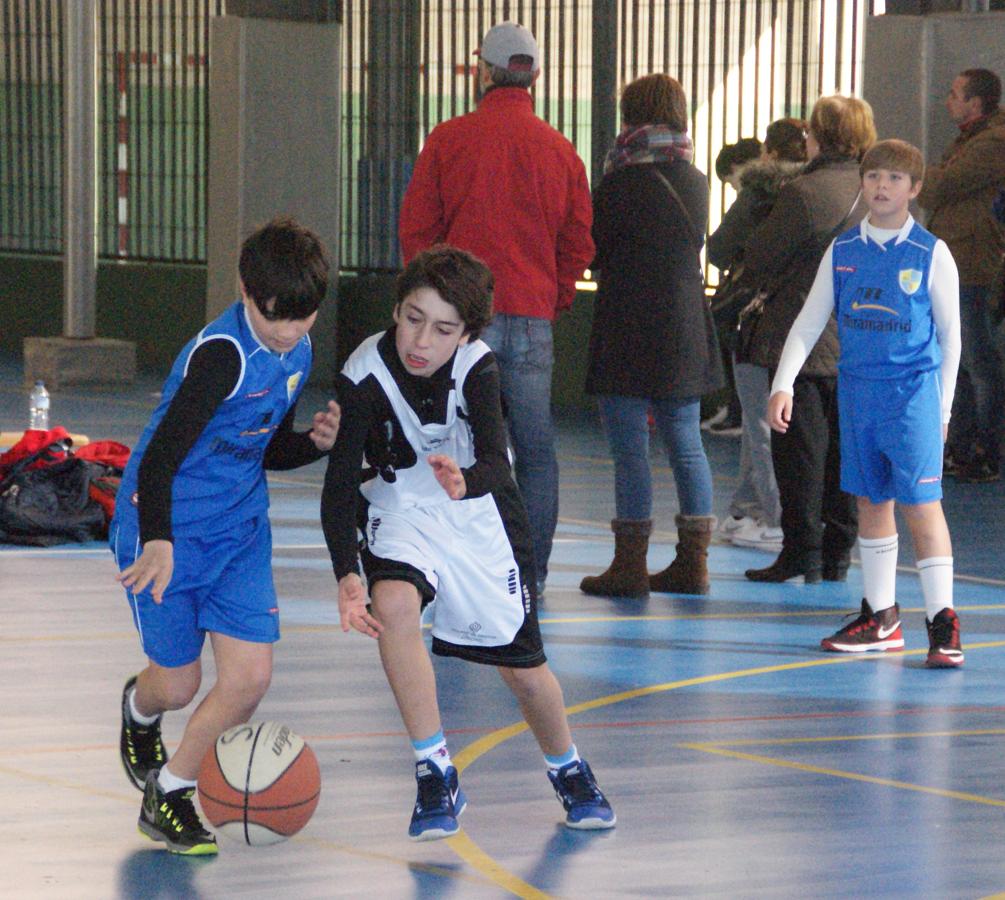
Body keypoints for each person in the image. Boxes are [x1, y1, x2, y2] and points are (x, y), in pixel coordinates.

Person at [321, 246, 615, 841]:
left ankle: (568, 767)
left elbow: (496, 465)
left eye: (443, 328)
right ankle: (435, 771)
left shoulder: (479, 365)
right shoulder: (362, 373)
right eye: (411, 317)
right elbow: (337, 484)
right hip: (402, 510)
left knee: (526, 674)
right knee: (394, 607)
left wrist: (465, 481)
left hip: (479, 516)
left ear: (468, 333)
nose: (421, 339)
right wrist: (348, 575)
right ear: (396, 310)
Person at [112, 217, 338, 855]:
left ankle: (171, 792)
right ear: (245, 290)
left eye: (304, 317)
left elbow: (259, 449)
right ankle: (140, 708)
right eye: (275, 318)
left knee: (248, 678)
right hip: (164, 531)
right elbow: (158, 460)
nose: (289, 331)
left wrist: (312, 446)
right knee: (178, 686)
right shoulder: (222, 357)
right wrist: (158, 539)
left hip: (238, 531)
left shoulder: (296, 351)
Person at [399, 22, 593, 598]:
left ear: (480, 70)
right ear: (536, 75)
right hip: (532, 315)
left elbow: (418, 230)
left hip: (459, 324)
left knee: (455, 445)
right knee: (535, 452)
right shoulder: (560, 150)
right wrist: (551, 297)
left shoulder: (449, 138)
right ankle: (527, 578)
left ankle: (459, 572)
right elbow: (579, 241)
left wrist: (432, 307)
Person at [768, 139, 964, 667]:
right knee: (870, 503)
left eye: (895, 179)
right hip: (858, 395)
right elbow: (809, 321)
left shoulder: (930, 253)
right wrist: (783, 382)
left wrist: (942, 412)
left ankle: (943, 621)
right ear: (862, 181)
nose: (883, 186)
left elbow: (952, 340)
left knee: (922, 506)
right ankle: (881, 617)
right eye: (875, 176)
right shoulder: (844, 251)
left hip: (912, 398)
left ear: (915, 189)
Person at [579, 73, 723, 599]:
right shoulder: (696, 179)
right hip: (684, 322)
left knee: (630, 450)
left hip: (626, 322)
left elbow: (596, 250)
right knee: (687, 442)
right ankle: (694, 564)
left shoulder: (617, 181)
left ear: (630, 117)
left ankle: (630, 566)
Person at [739, 96, 875, 584]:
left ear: (817, 136)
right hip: (862, 341)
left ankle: (801, 553)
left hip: (807, 341)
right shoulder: (879, 192)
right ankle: (838, 554)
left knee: (800, 456)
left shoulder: (803, 193)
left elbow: (758, 258)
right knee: (846, 457)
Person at [708, 118, 808, 553]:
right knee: (762, 418)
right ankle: (746, 507)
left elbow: (719, 249)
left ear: (768, 151)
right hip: (806, 317)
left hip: (757, 316)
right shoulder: (826, 193)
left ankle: (774, 517)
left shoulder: (760, 192)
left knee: (761, 419)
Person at [918, 68, 1005, 484]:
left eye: (955, 94)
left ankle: (987, 449)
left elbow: (938, 187)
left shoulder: (991, 144)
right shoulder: (969, 140)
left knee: (979, 362)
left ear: (975, 103)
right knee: (962, 361)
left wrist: (921, 175)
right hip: (957, 257)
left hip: (973, 260)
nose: (948, 101)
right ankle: (964, 443)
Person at [703, 136, 764, 437]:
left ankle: (739, 409)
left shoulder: (753, 198)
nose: (732, 187)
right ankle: (738, 408)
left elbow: (719, 249)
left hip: (751, 290)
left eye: (729, 180)